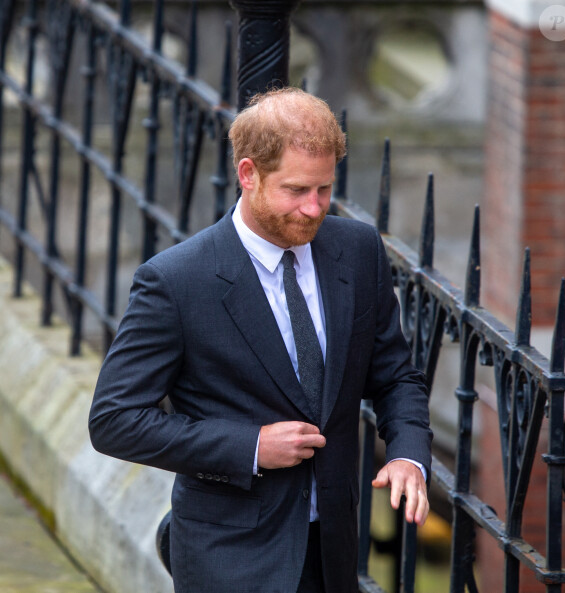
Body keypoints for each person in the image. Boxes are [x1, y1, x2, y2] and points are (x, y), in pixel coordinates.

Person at [89, 87, 432, 593]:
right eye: (296, 190)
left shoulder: (358, 250)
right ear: (248, 174)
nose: (314, 209)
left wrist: (408, 454)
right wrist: (249, 446)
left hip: (334, 550)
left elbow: (395, 374)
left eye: (324, 189)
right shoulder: (176, 281)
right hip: (228, 557)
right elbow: (114, 421)